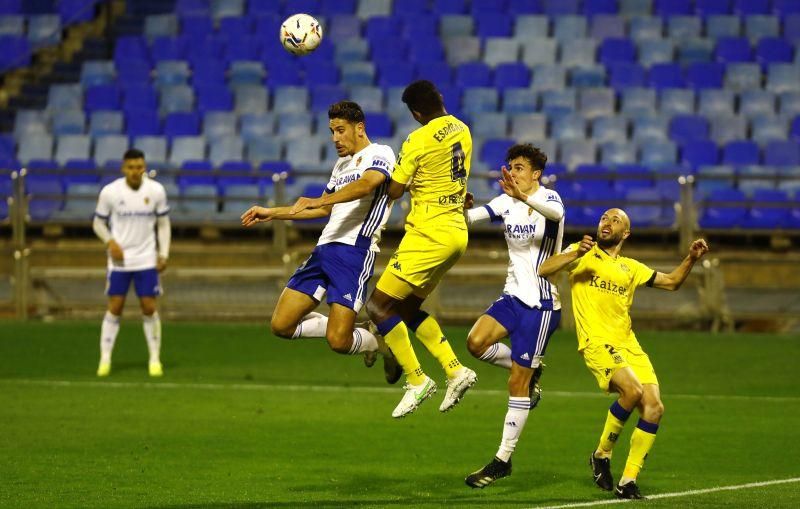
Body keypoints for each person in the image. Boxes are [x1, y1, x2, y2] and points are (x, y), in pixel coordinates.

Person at [538, 208, 709, 499]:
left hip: (629, 344)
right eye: (605, 218)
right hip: (597, 341)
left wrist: (691, 258)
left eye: (615, 220)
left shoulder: (631, 267)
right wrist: (574, 253)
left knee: (655, 408)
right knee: (631, 390)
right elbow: (544, 269)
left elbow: (671, 283)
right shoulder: (582, 253)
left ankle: (628, 481)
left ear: (625, 233)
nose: (607, 222)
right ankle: (602, 455)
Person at [241, 101, 401, 382]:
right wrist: (273, 213)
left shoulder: (380, 153)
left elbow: (367, 185)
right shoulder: (341, 164)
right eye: (331, 131)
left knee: (339, 342)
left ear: (359, 128)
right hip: (323, 250)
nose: (334, 138)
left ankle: (381, 345)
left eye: (340, 130)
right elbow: (324, 209)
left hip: (354, 252)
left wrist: (321, 198)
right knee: (281, 325)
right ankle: (364, 329)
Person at [365, 80, 477, 418]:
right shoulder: (463, 129)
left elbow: (395, 190)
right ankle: (455, 370)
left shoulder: (417, 140)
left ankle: (417, 380)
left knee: (378, 306)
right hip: (457, 232)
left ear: (415, 113)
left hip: (429, 233)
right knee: (407, 309)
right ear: (440, 99)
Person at [461, 144, 565, 488]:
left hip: (542, 306)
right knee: (475, 342)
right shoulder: (506, 201)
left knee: (515, 385)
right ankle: (530, 371)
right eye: (511, 167)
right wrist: (457, 208)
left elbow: (555, 218)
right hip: (512, 296)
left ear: (535, 173)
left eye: (520, 167)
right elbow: (472, 218)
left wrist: (522, 196)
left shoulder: (550, 199)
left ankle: (501, 460)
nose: (513, 172)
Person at [93, 148, 171, 377]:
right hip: (120, 261)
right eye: (131, 167)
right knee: (115, 307)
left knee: (149, 307)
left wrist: (164, 253)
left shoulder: (156, 191)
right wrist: (110, 242)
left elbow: (164, 224)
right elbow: (98, 223)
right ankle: (105, 359)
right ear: (123, 168)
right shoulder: (110, 192)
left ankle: (155, 359)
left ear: (144, 167)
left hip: (146, 258)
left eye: (139, 167)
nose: (136, 171)